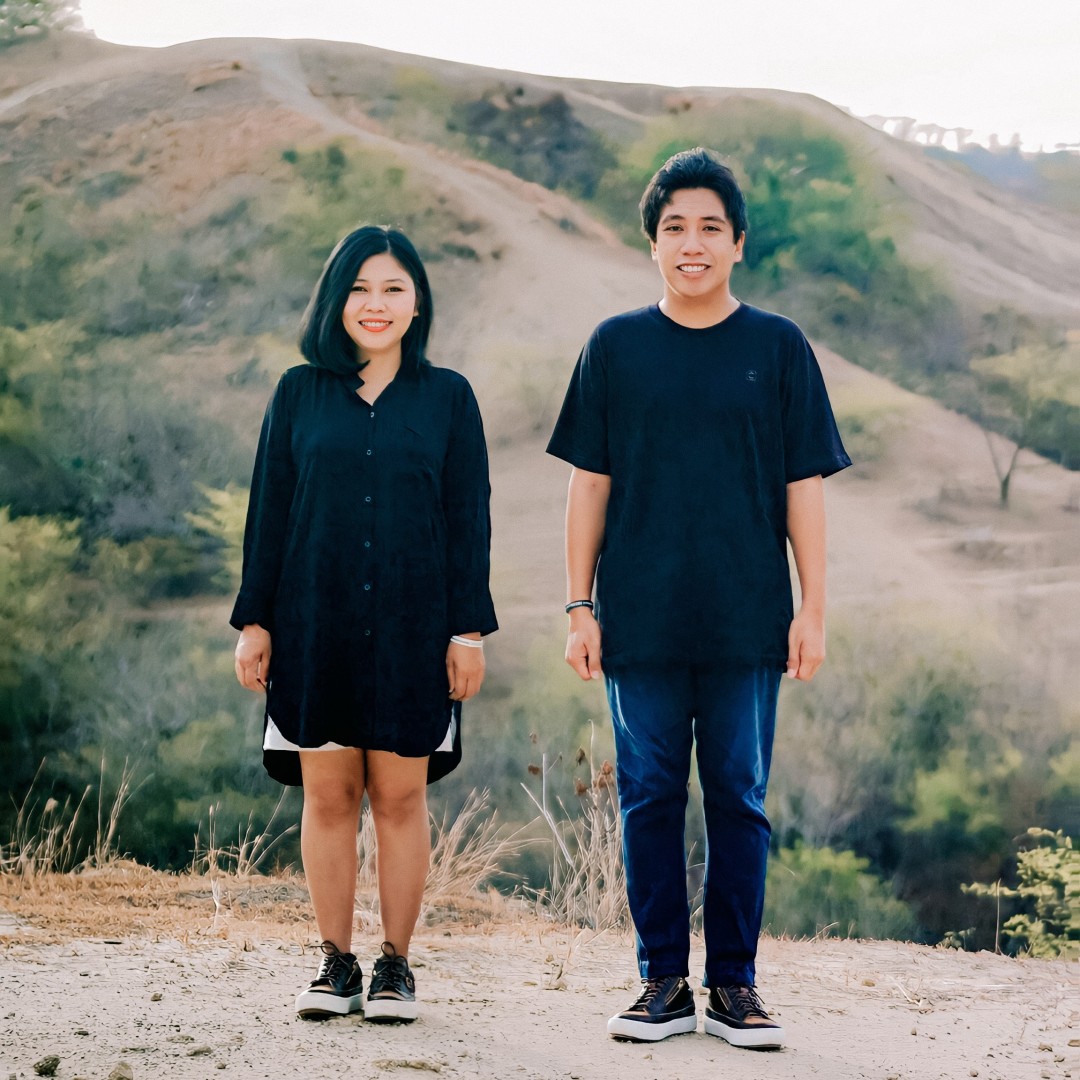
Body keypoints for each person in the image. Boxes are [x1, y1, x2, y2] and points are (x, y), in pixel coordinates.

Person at [546, 148, 851, 1048]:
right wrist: (578, 607)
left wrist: (813, 606)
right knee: (647, 797)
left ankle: (735, 987)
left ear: (738, 243)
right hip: (637, 617)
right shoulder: (615, 346)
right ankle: (661, 984)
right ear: (652, 244)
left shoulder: (778, 347)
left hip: (747, 618)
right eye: (674, 227)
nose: (693, 243)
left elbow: (803, 487)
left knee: (739, 800)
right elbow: (588, 484)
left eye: (710, 227)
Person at [231, 225, 497, 1023]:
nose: (374, 304)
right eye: (358, 289)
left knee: (400, 798)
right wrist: (255, 621)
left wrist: (467, 631)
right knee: (328, 796)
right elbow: (269, 512)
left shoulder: (449, 398)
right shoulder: (298, 393)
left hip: (417, 626)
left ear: (417, 303)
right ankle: (335, 963)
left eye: (392, 289)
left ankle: (395, 967)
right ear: (334, 300)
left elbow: (469, 521)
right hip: (314, 619)